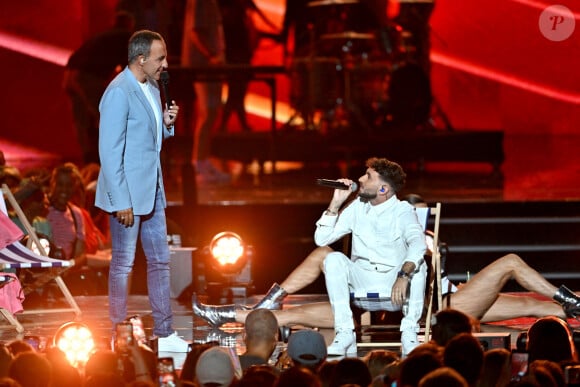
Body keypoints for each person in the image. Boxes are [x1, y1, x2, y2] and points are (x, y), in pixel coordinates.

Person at [95, 29, 188, 352]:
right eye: (160, 58)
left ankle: (165, 331)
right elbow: (109, 151)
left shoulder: (150, 86)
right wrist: (120, 200)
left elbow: (146, 138)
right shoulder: (119, 92)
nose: (165, 64)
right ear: (141, 59)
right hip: (128, 196)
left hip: (153, 188)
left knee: (161, 260)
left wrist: (167, 123)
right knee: (123, 263)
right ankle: (118, 333)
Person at [63, 11, 135, 164]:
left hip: (70, 76)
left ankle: (89, 159)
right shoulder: (126, 38)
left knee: (82, 120)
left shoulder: (104, 35)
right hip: (86, 76)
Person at [181, 0, 230, 184]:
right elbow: (196, 31)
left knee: (210, 112)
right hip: (204, 65)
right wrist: (212, 56)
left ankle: (203, 160)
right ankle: (200, 163)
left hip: (207, 64)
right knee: (208, 111)